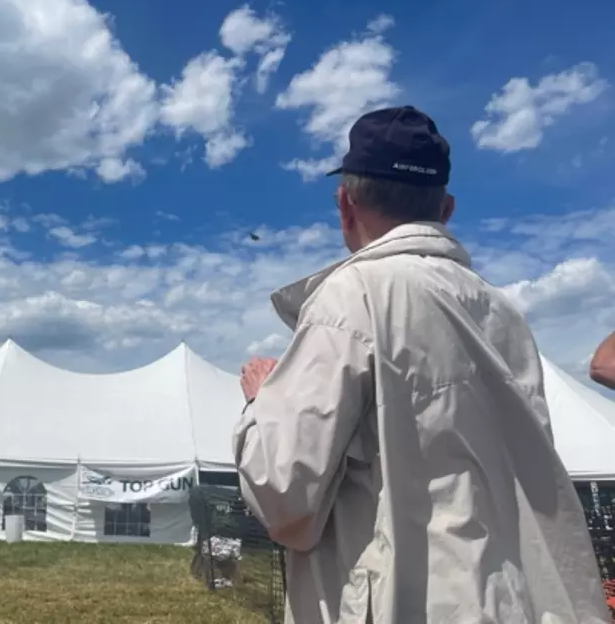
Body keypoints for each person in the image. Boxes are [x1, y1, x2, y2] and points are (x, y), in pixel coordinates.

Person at [233, 105, 610, 623]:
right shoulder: (503, 313)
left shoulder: (353, 295)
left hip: (403, 601)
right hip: (512, 600)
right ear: (446, 209)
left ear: (345, 203)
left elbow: (285, 495)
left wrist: (262, 401)